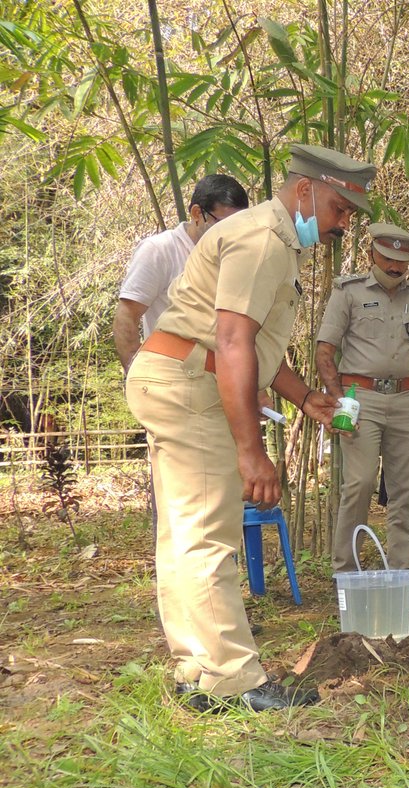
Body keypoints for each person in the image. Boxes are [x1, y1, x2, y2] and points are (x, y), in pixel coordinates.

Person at [125, 143, 371, 711]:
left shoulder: (276, 241)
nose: (341, 224)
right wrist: (250, 449)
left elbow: (258, 347)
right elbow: (232, 342)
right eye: (339, 209)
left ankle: (199, 669)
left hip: (178, 373)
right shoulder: (264, 240)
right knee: (210, 535)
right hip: (193, 384)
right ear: (306, 190)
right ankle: (235, 679)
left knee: (184, 534)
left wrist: (306, 396)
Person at [316, 224, 409, 575]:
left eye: (401, 261)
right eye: (387, 259)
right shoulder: (348, 292)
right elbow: (325, 350)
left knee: (405, 492)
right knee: (358, 484)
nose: (394, 267)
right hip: (361, 399)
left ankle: (401, 574)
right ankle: (346, 571)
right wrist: (338, 399)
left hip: (406, 400)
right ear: (371, 253)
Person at [114, 175, 251, 373]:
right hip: (170, 380)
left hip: (221, 380)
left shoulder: (237, 257)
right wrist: (138, 379)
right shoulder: (160, 250)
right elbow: (126, 317)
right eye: (224, 225)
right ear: (197, 213)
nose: (231, 234)